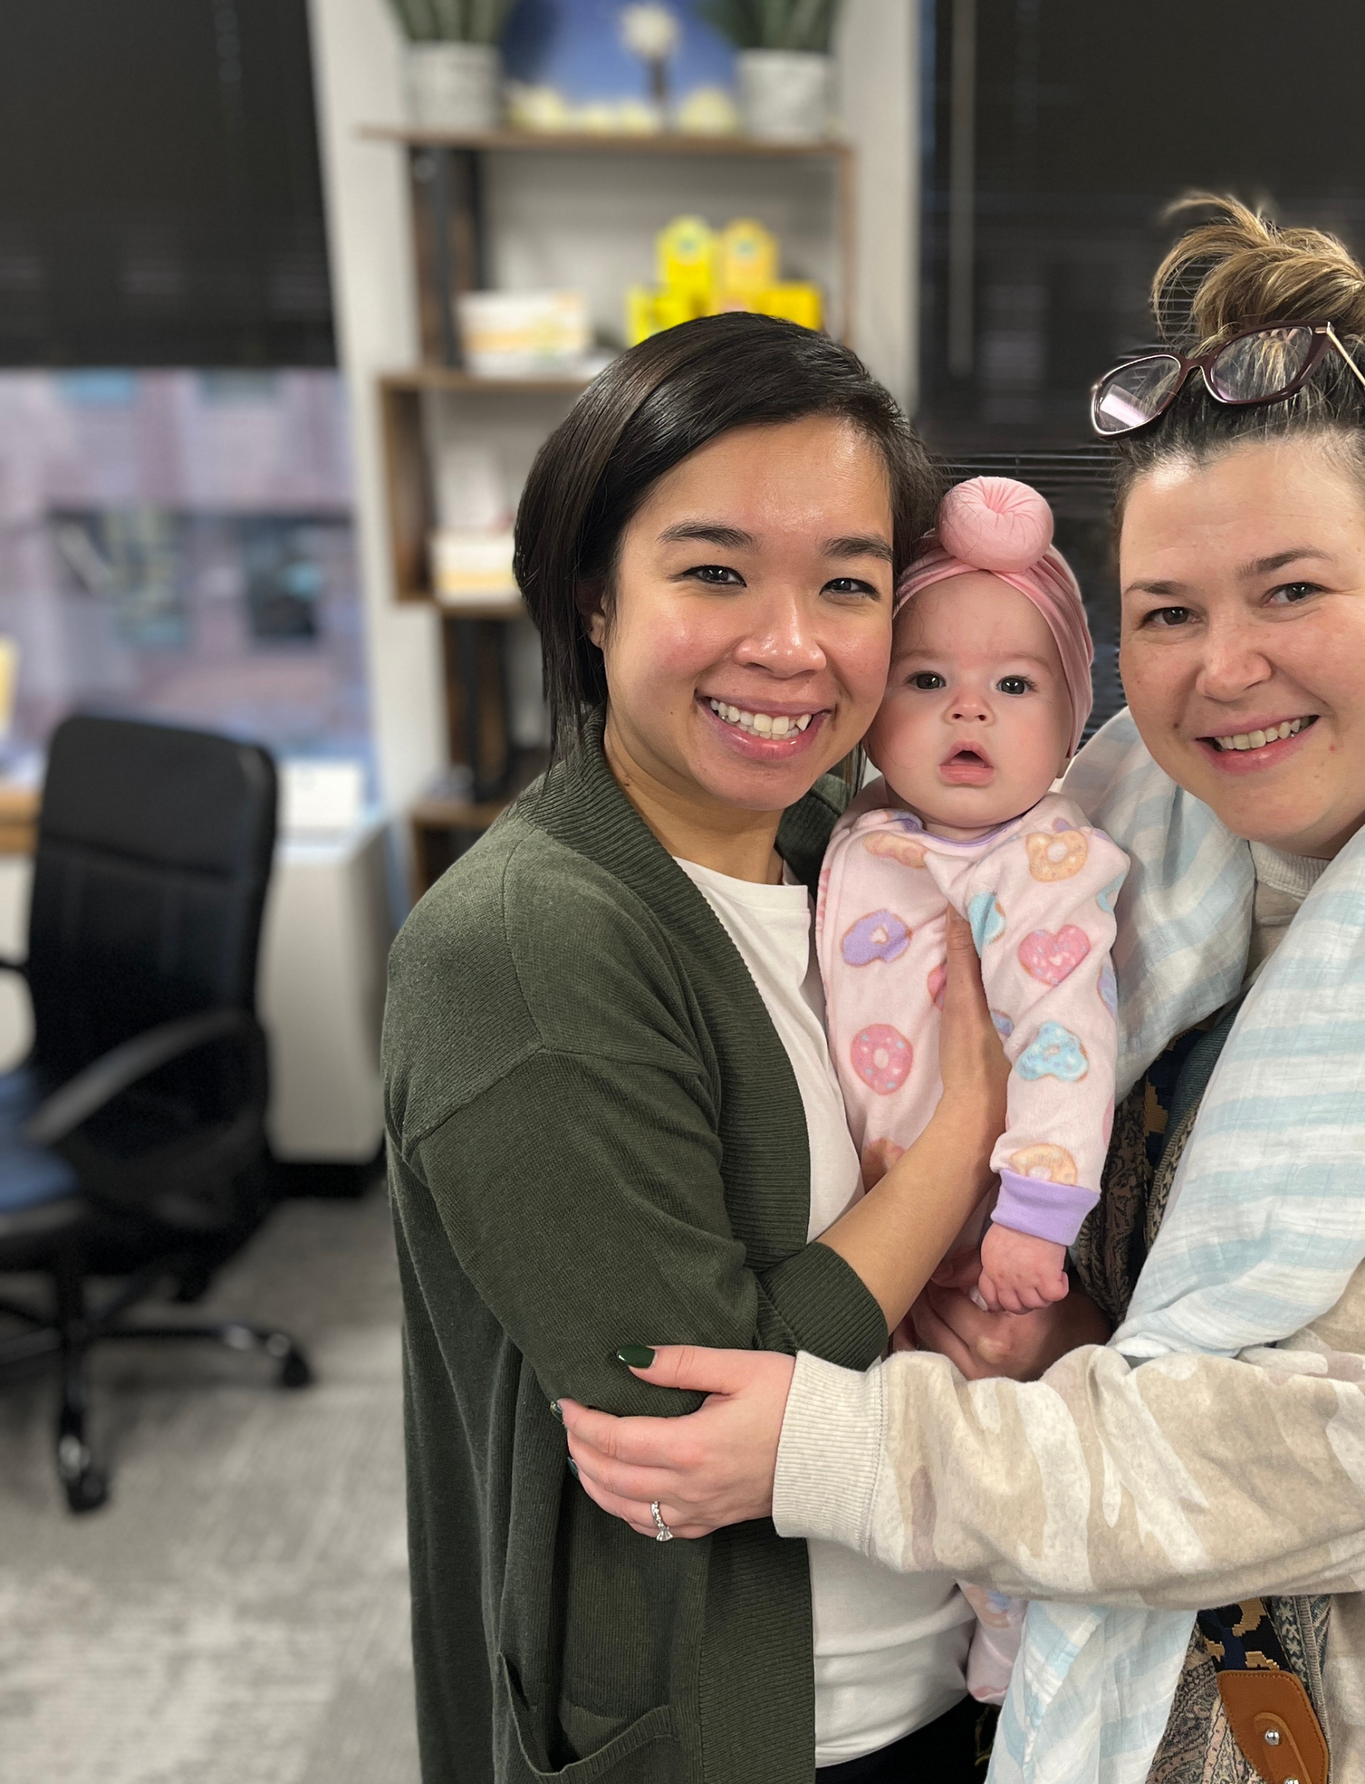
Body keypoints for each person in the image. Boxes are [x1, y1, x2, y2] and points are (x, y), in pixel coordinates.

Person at [558, 204, 1365, 1784]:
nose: (1222, 668)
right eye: (1167, 611)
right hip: (1118, 1669)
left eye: (1291, 591)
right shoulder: (1127, 825)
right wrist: (1045, 1314)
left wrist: (835, 1441)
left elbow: (1330, 1447)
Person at [383, 314, 1013, 1784]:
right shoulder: (525, 946)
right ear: (594, 593)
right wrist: (963, 1134)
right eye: (715, 569)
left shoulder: (848, 858)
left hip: (949, 1662)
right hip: (757, 1723)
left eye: (847, 583)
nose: (790, 645)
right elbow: (685, 1409)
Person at [817, 472, 1126, 1704]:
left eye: (1015, 685)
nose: (969, 711)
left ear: (1068, 724)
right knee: (910, 1455)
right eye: (927, 678)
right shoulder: (865, 835)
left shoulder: (1043, 863)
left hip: (984, 1234)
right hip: (884, 1222)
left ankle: (1012, 1659)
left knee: (989, 1437)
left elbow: (1065, 1041)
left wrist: (1034, 1221)